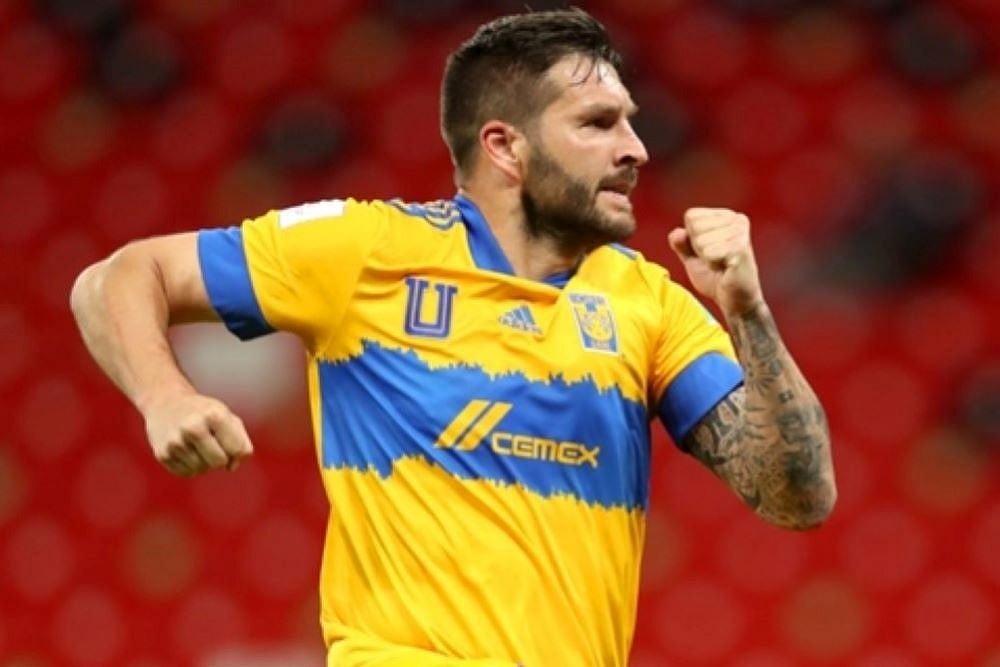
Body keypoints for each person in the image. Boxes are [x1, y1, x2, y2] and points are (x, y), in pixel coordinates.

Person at [70, 8, 836, 666]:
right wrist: (164, 396)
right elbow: (116, 279)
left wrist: (748, 312)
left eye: (630, 121)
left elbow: (798, 495)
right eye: (598, 123)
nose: (635, 148)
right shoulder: (365, 251)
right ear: (505, 146)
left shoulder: (648, 302)